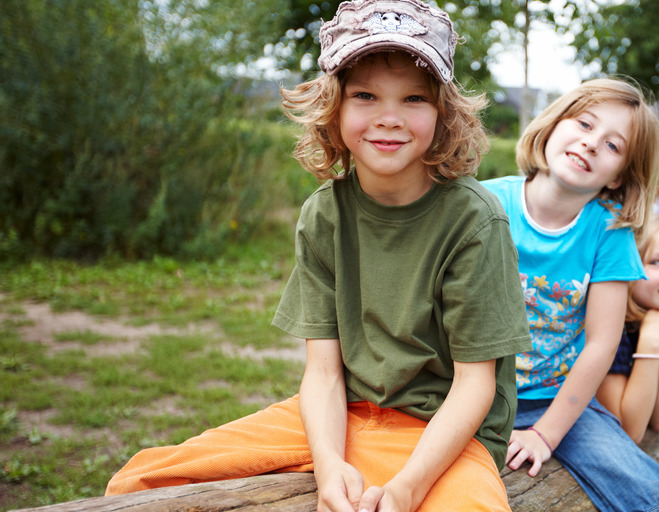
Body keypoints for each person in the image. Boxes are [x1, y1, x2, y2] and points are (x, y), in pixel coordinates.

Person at [105, 1, 532, 511]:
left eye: (414, 98)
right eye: (365, 95)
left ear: (443, 114)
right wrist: (329, 465)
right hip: (341, 416)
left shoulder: (475, 220)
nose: (389, 118)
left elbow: (474, 385)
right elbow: (325, 373)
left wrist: (406, 488)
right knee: (140, 483)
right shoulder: (323, 215)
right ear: (334, 107)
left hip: (440, 434)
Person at [482, 78, 659, 512]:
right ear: (553, 126)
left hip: (555, 399)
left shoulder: (608, 233)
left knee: (658, 499)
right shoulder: (484, 204)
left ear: (620, 177)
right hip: (470, 391)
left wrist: (546, 433)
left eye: (613, 146)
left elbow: (600, 343)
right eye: (585, 124)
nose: (592, 144)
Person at [596, 215, 659, 443]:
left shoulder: (649, 322)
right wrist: (650, 344)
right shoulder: (611, 329)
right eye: (656, 262)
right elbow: (628, 431)